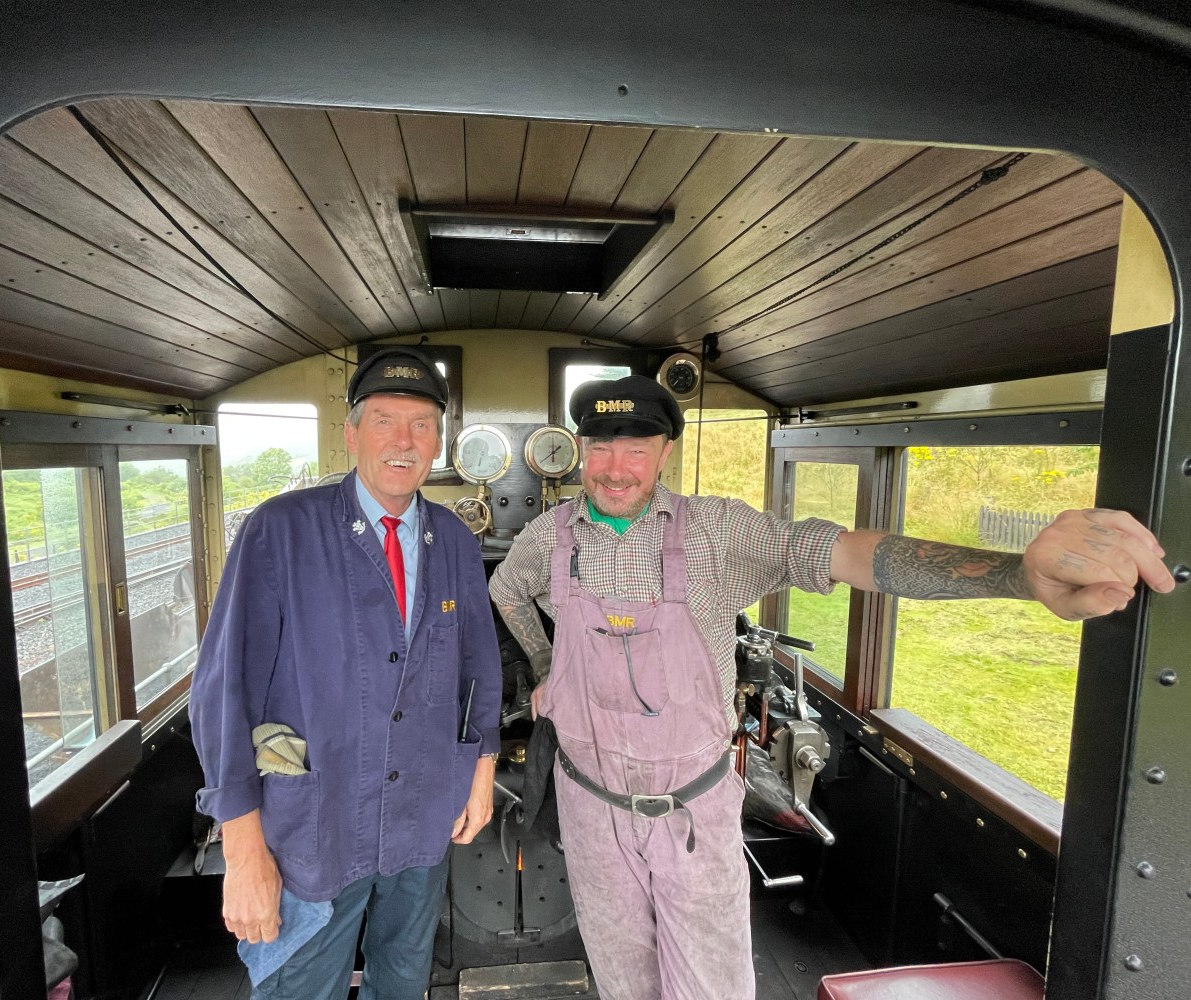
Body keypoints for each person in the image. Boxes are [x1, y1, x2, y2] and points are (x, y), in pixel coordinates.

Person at [488, 374, 1175, 1000]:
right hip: (590, 809)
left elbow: (848, 554)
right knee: (622, 982)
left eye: (635, 446)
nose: (614, 467)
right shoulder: (546, 539)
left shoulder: (720, 533)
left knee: (707, 988)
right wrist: (550, 670)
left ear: (666, 451)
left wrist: (1015, 577)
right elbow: (507, 594)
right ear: (579, 449)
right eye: (600, 446)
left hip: (691, 816)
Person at [190, 347, 502, 999]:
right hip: (311, 825)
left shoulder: (451, 541)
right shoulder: (279, 531)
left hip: (420, 817)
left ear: (437, 442)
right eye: (384, 421)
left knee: (403, 979)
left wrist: (480, 773)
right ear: (352, 433)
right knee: (300, 985)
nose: (402, 441)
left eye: (421, 425)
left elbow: (478, 667)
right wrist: (243, 850)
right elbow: (224, 694)